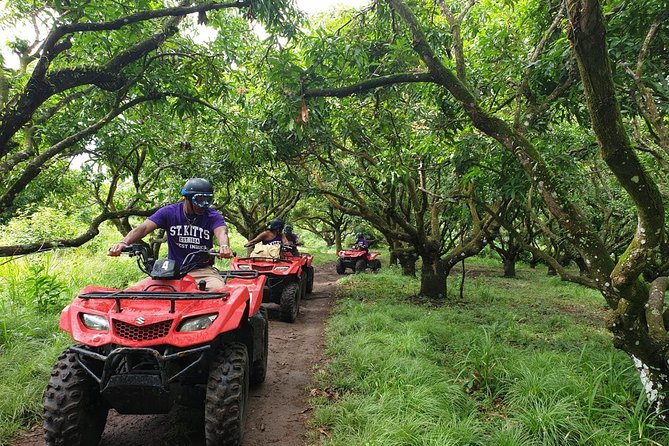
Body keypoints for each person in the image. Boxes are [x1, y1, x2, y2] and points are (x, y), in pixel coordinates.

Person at [108, 178, 233, 289]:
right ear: (187, 198)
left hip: (202, 271)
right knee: (137, 292)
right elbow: (144, 228)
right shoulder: (169, 212)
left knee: (218, 290)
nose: (204, 205)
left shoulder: (212, 216)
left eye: (208, 200)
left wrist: (224, 246)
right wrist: (124, 242)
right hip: (171, 271)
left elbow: (222, 232)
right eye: (200, 200)